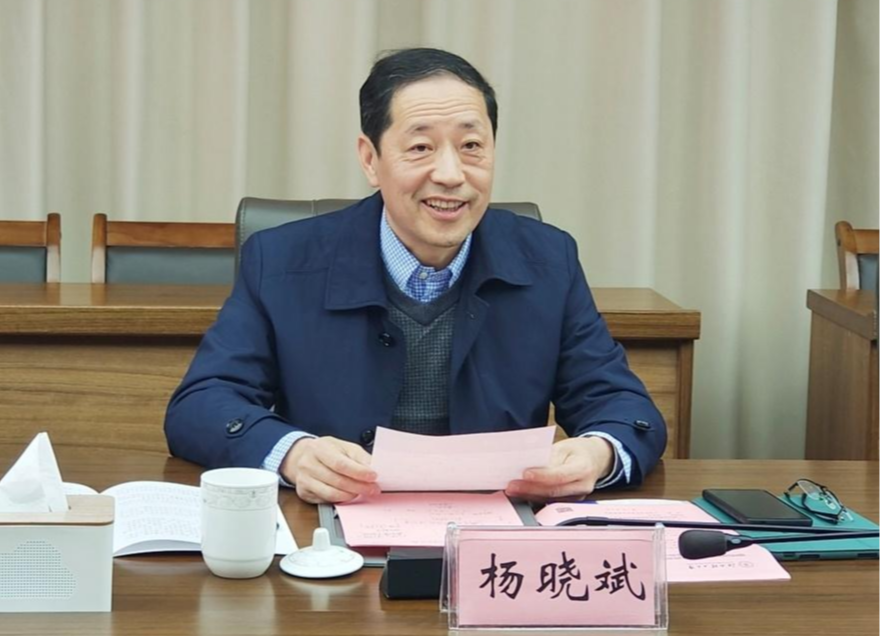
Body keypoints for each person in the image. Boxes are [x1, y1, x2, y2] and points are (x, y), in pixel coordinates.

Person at [165, 48, 666, 504]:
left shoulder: (549, 260)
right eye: (422, 147)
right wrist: (293, 454)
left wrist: (597, 453)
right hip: (332, 536)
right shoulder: (280, 261)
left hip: (493, 535)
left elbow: (622, 405)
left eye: (472, 145)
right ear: (370, 159)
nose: (451, 174)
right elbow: (201, 405)